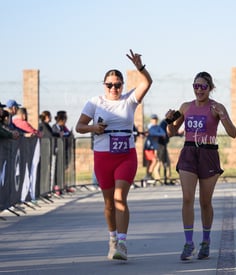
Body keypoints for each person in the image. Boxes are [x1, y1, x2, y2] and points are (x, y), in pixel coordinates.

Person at [75, 49, 152, 261]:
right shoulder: (94, 102)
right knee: (109, 203)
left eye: (118, 84)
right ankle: (112, 238)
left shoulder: (129, 100)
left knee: (120, 199)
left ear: (122, 86)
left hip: (125, 155)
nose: (114, 88)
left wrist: (140, 68)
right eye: (110, 85)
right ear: (104, 85)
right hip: (103, 157)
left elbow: (147, 83)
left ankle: (123, 243)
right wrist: (94, 129)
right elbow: (79, 127)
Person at [165, 71, 236, 261]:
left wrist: (224, 117)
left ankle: (206, 241)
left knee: (205, 202)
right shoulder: (186, 107)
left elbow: (233, 133)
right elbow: (172, 132)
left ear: (210, 88)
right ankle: (189, 243)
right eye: (195, 86)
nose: (199, 90)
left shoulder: (216, 107)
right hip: (189, 153)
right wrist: (169, 120)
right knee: (187, 198)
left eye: (203, 86)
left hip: (209, 154)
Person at [143, 114, 166, 180]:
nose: (154, 121)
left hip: (154, 147)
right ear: (151, 120)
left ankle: (147, 175)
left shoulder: (158, 127)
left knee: (150, 162)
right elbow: (152, 133)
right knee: (154, 160)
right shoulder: (150, 126)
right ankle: (148, 175)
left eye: (155, 119)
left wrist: (159, 134)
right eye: (153, 119)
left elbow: (163, 133)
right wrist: (159, 134)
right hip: (148, 147)